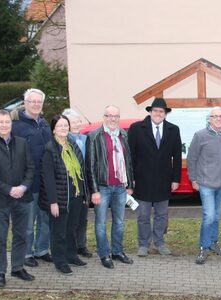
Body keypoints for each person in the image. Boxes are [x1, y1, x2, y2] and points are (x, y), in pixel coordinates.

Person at [0, 110, 36, 288]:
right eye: (0, 122)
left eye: (7, 122)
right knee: (0, 238)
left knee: (21, 235)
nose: (4, 125)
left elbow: (30, 168)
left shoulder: (22, 143)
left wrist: (23, 187)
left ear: (11, 124)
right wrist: (9, 190)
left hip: (22, 198)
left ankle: (17, 267)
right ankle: (0, 271)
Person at [128, 97, 182, 257]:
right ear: (150, 112)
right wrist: (131, 179)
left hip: (164, 180)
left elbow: (177, 157)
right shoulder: (137, 128)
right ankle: (143, 244)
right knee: (143, 215)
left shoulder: (173, 130)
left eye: (162, 111)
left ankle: (159, 243)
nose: (158, 113)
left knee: (161, 215)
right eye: (156, 110)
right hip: (142, 179)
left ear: (165, 114)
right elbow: (130, 156)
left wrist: (176, 179)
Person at [86, 105, 135, 269]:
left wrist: (130, 184)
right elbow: (90, 165)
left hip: (120, 187)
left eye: (116, 116)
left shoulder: (123, 135)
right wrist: (94, 190)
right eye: (109, 116)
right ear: (104, 117)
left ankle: (117, 252)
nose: (113, 119)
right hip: (102, 188)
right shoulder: (94, 136)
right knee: (101, 224)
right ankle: (104, 254)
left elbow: (128, 161)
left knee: (119, 222)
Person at [40, 115, 87, 275]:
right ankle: (60, 261)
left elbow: (81, 170)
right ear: (53, 129)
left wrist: (83, 195)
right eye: (60, 126)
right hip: (59, 198)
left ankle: (71, 255)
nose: (63, 128)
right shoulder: (49, 149)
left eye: (65, 125)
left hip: (75, 195)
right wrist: (53, 202)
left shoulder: (72, 145)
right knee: (58, 231)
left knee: (72, 228)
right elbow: (48, 178)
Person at [12, 88, 53, 267]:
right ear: (25, 103)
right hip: (27, 183)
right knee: (28, 222)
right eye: (32, 101)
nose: (36, 104)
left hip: (46, 183)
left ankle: (42, 249)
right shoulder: (17, 126)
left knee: (45, 219)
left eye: (39, 102)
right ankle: (27, 253)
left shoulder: (44, 124)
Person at [187, 107, 221, 264]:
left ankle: (213, 242)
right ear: (209, 119)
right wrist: (193, 179)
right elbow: (191, 158)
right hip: (206, 183)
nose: (218, 119)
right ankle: (203, 248)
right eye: (215, 116)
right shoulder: (200, 135)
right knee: (209, 216)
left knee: (217, 216)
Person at [63, 108, 92, 258]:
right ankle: (71, 248)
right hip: (70, 187)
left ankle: (82, 245)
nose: (76, 125)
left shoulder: (85, 139)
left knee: (83, 217)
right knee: (71, 220)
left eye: (78, 121)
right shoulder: (64, 141)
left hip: (84, 185)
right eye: (72, 122)